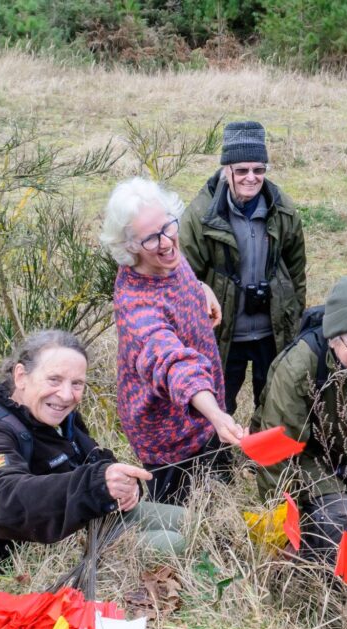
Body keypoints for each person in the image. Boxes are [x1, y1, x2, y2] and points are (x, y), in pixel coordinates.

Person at [0, 330, 186, 571]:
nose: (66, 395)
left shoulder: (58, 418)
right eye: (54, 379)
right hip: (25, 549)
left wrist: (126, 487)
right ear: (21, 376)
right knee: (175, 544)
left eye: (77, 383)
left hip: (84, 519)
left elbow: (96, 464)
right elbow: (0, 504)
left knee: (189, 522)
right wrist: (95, 486)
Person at [101, 177, 246, 506]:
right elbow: (173, 363)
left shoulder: (168, 260)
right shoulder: (136, 305)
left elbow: (180, 279)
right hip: (168, 437)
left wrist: (202, 291)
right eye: (150, 238)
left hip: (204, 418)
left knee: (215, 499)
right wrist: (218, 415)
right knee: (178, 520)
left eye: (168, 227)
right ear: (130, 247)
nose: (165, 242)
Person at [252, 275, 347, 564]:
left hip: (338, 444)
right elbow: (273, 452)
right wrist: (280, 529)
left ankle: (330, 509)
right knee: (343, 513)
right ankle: (315, 569)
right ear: (334, 338)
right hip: (302, 452)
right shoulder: (300, 366)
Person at [180, 121, 307, 414]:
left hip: (271, 329)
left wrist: (295, 321)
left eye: (259, 170)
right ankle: (217, 460)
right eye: (242, 170)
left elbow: (297, 271)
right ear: (227, 171)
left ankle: (267, 460)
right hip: (223, 330)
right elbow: (185, 277)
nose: (251, 177)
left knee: (276, 402)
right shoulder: (200, 215)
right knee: (216, 403)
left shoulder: (284, 209)